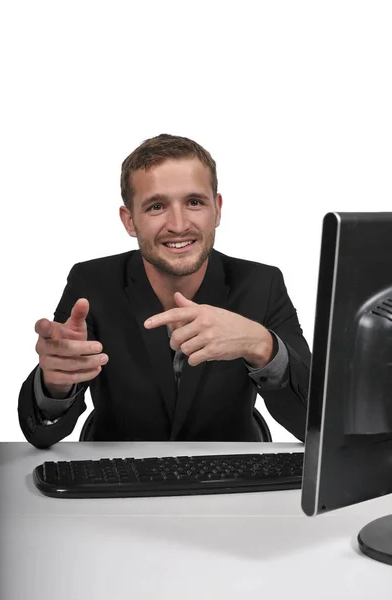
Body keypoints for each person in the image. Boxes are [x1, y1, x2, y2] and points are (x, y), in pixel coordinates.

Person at [18, 134, 311, 448]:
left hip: (229, 477)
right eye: (156, 206)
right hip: (119, 475)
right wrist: (55, 387)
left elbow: (315, 424)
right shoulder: (91, 282)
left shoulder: (261, 283)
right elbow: (43, 433)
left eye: (194, 202)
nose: (179, 224)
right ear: (130, 221)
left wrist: (262, 345)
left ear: (218, 209)